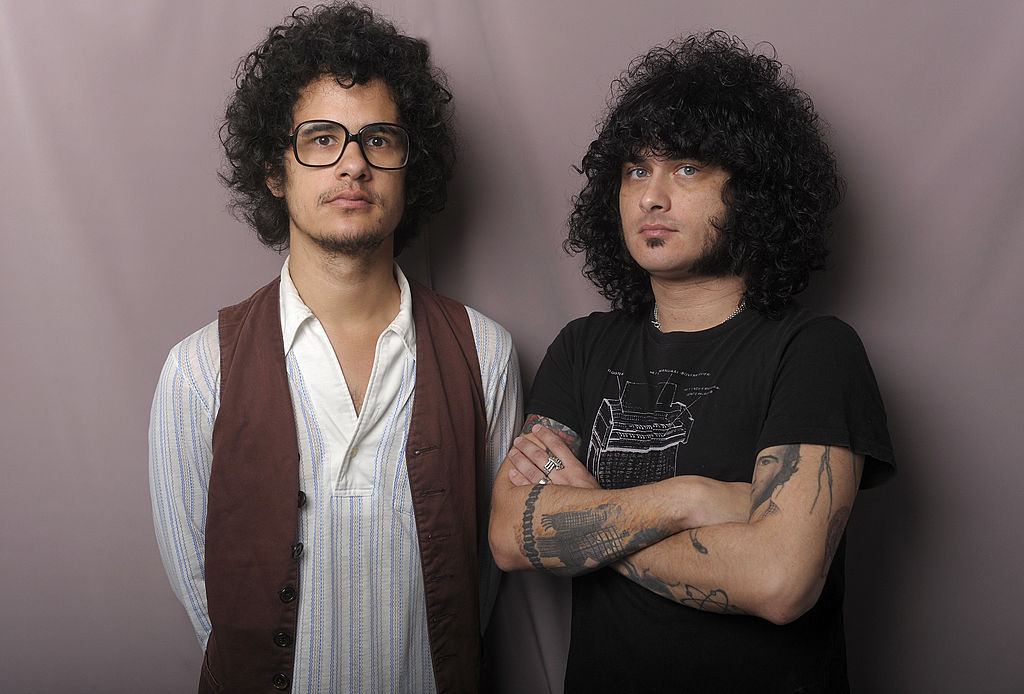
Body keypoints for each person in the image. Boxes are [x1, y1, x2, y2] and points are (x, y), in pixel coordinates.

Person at [489, 31, 895, 692]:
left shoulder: (815, 351)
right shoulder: (583, 346)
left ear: (753, 191)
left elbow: (779, 580)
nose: (651, 196)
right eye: (635, 170)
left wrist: (591, 516)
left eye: (686, 168)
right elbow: (512, 534)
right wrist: (688, 499)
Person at [148, 4, 520, 692]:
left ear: (411, 165)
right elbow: (210, 605)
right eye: (321, 138)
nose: (353, 163)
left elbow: (480, 581)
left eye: (378, 139)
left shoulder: (485, 354)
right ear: (274, 169)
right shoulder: (199, 370)